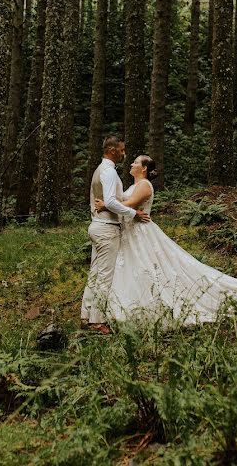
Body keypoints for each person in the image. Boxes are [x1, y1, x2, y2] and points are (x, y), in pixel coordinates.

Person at [95, 155, 237, 325]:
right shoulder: (135, 185)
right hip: (130, 231)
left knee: (148, 265)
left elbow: (131, 204)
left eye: (135, 162)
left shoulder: (144, 185)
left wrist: (106, 205)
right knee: (133, 267)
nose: (131, 164)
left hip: (140, 231)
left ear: (144, 168)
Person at [83, 137, 150, 334]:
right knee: (104, 276)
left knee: (95, 274)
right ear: (112, 150)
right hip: (106, 229)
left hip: (97, 224)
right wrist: (133, 214)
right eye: (121, 150)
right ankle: (97, 321)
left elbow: (97, 200)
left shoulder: (98, 170)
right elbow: (110, 202)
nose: (124, 154)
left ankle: (85, 315)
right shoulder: (110, 172)